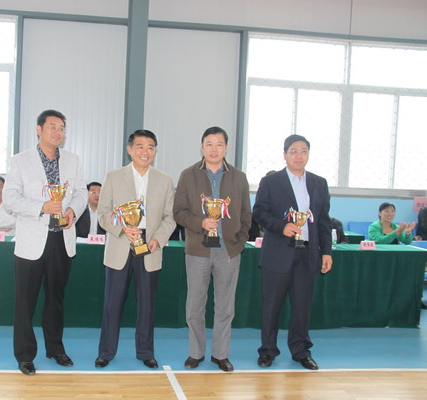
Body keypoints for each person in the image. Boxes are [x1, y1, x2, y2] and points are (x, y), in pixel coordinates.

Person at [3, 110, 87, 376]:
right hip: (32, 240)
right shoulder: (20, 161)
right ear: (39, 129)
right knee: (25, 301)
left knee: (56, 298)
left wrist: (72, 210)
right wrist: (42, 207)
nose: (57, 132)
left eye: (61, 128)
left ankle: (55, 349)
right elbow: (10, 198)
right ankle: (25, 355)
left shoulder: (73, 160)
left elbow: (82, 193)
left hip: (61, 238)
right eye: (52, 127)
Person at [95, 129, 176, 369]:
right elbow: (103, 213)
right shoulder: (113, 176)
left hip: (150, 247)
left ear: (155, 152)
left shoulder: (165, 180)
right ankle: (106, 352)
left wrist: (158, 239)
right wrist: (121, 228)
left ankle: (145, 352)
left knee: (147, 305)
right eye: (140, 146)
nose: (145, 151)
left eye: (151, 147)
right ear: (130, 150)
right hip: (120, 244)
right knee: (112, 304)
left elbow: (170, 217)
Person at [173, 126, 251, 372]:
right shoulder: (188, 175)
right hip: (198, 249)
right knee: (195, 305)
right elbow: (178, 212)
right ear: (202, 147)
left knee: (225, 306)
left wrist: (238, 242)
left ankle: (220, 354)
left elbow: (246, 215)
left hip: (228, 250)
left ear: (226, 148)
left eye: (219, 144)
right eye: (209, 144)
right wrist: (201, 223)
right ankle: (195, 353)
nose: (214, 149)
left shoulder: (239, 177)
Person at [253, 134, 332, 371]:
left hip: (307, 253)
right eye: (294, 151)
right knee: (272, 306)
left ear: (309, 154)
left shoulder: (319, 183)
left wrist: (326, 251)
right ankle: (267, 351)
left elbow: (324, 221)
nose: (299, 156)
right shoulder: (271, 182)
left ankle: (301, 351)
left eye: (304, 151)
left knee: (302, 307)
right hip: (278, 252)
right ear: (285, 155)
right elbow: (259, 212)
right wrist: (282, 226)